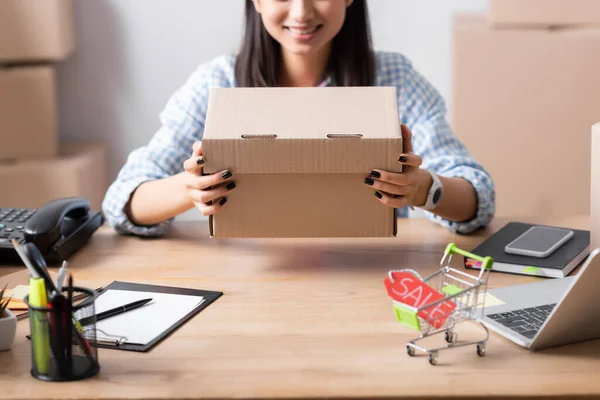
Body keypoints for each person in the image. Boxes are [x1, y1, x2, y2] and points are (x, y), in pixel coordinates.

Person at [102, 0, 495, 237]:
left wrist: (423, 189)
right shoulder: (217, 83)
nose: (302, 12)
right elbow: (124, 201)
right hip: (245, 284)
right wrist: (189, 189)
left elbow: (478, 198)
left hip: (369, 276)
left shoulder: (395, 79)